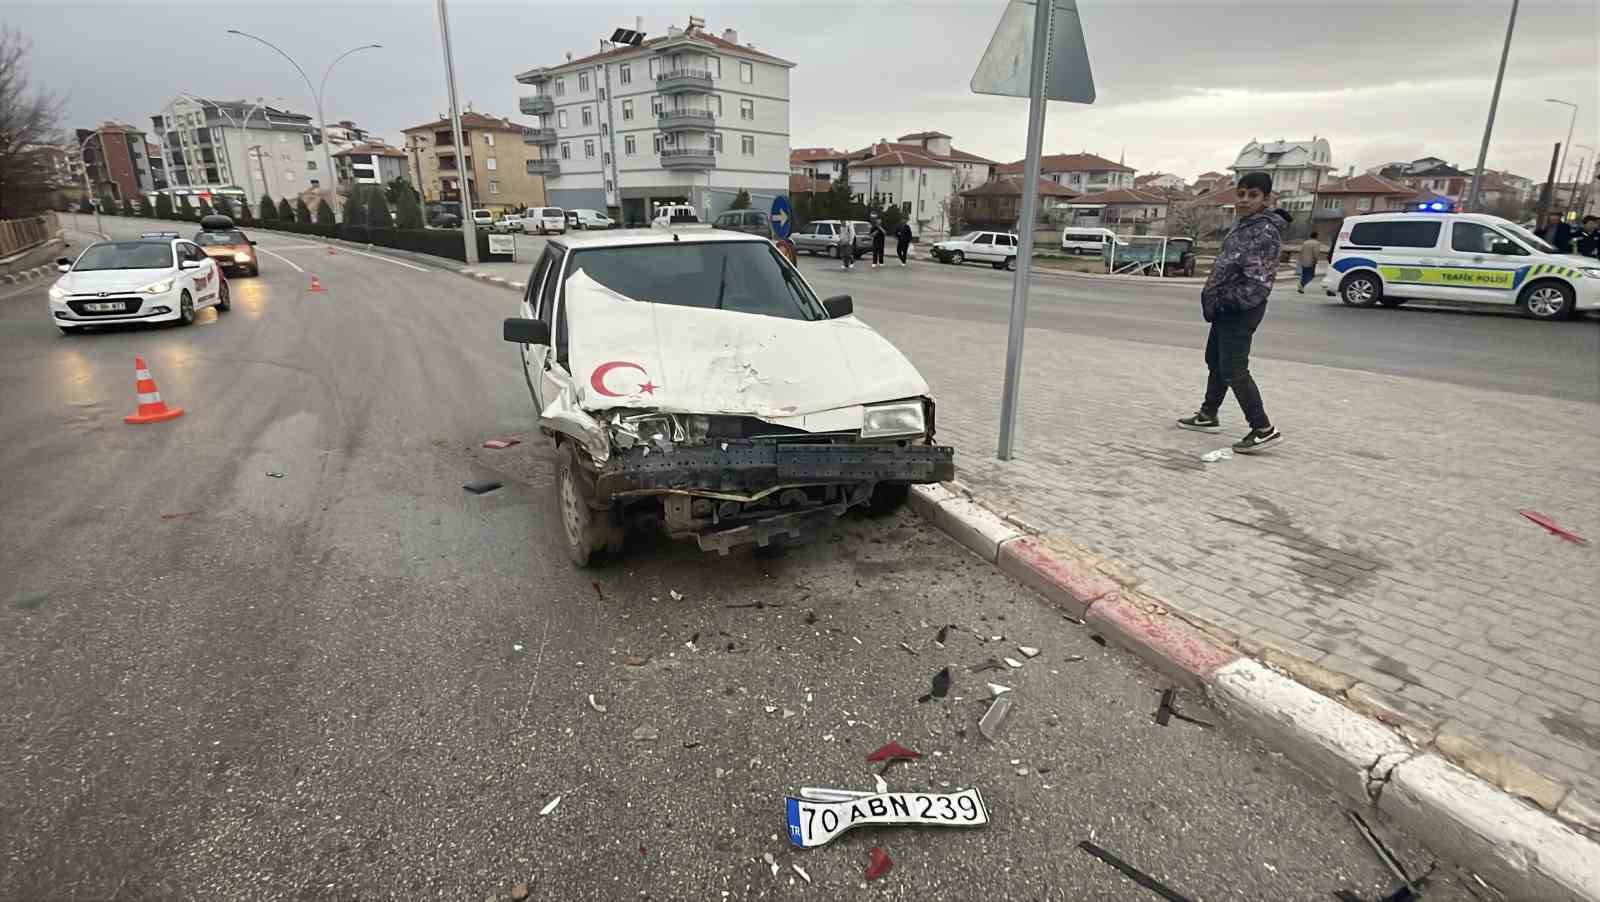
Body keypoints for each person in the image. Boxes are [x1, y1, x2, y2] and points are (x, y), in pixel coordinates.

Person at [1177, 171, 1285, 453]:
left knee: (1235, 368)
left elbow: (1258, 282)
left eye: (1253, 195)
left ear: (1266, 198)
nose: (1245, 200)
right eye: (1241, 194)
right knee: (1215, 360)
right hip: (1224, 308)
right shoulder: (1244, 225)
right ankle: (1208, 413)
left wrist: (1228, 301)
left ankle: (1263, 428)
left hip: (1239, 310)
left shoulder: (1264, 231)